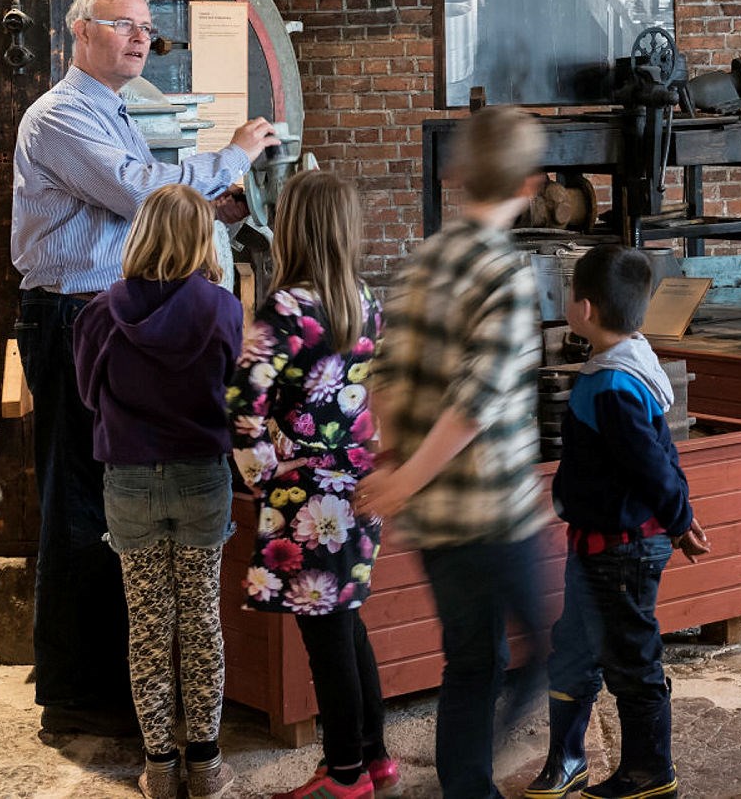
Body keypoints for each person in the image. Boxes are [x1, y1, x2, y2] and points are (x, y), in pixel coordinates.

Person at [11, 0, 279, 735]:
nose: (141, 37)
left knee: (107, 492)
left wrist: (209, 207)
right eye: (125, 24)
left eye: (146, 28)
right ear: (81, 32)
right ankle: (76, 693)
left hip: (95, 312)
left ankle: (103, 674)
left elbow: (145, 200)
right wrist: (228, 159)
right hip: (71, 316)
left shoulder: (111, 110)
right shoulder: (61, 115)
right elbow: (137, 191)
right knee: (80, 493)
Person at [357, 105, 551, 799]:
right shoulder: (505, 274)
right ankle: (478, 782)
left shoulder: (422, 259)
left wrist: (390, 465)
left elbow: (384, 372)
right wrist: (403, 476)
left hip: (433, 514)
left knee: (471, 661)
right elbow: (476, 403)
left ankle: (469, 789)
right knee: (546, 651)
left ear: (455, 174)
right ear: (531, 185)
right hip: (493, 509)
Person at [229, 171, 399, 799]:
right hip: (356, 481)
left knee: (326, 640)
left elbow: (242, 400)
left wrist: (261, 472)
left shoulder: (286, 307)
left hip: (306, 496)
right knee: (346, 626)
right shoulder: (364, 298)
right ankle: (372, 760)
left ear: (293, 225)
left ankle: (346, 777)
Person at [73, 184, 245, 799]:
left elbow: (90, 397)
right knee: (200, 619)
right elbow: (235, 390)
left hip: (129, 477)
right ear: (203, 237)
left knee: (148, 624)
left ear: (140, 234)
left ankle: (158, 767)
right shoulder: (223, 308)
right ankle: (205, 766)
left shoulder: (99, 312)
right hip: (203, 474)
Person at [525, 245, 708, 799]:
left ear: (581, 308)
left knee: (632, 656)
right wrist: (681, 517)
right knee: (575, 650)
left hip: (622, 548)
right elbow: (663, 451)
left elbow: (653, 463)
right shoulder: (628, 359)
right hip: (598, 546)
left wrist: (679, 518)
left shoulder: (611, 384)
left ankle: (650, 771)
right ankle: (568, 758)